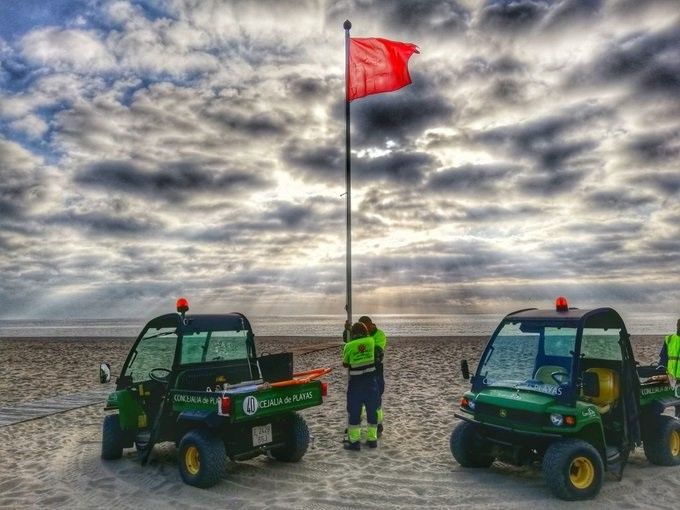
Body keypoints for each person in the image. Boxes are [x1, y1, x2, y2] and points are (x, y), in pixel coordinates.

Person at [342, 321, 379, 450]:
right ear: (365, 332)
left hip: (356, 383)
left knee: (354, 413)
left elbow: (345, 364)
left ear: (353, 334)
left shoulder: (349, 346)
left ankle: (354, 442)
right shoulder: (371, 341)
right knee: (372, 412)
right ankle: (372, 440)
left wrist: (347, 331)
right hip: (371, 383)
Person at [359, 316, 387, 435]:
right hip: (362, 371)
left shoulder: (379, 335)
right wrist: (347, 331)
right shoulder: (362, 334)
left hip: (376, 371)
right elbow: (348, 340)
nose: (365, 330)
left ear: (371, 324)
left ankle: (378, 425)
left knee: (376, 399)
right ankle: (356, 423)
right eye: (362, 328)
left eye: (366, 327)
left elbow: (377, 352)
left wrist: (360, 350)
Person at [659, 319, 680, 416]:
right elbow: (663, 358)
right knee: (677, 404)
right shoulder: (670, 339)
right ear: (677, 325)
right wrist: (661, 370)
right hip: (672, 379)